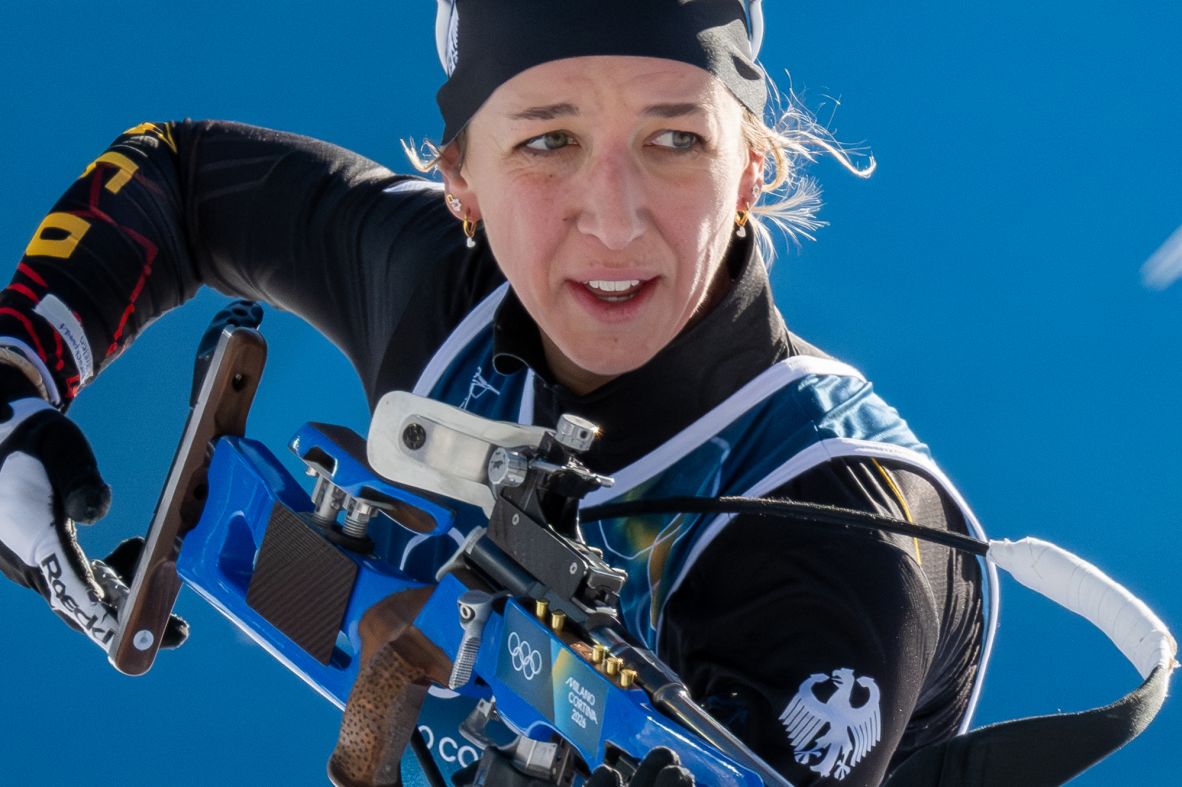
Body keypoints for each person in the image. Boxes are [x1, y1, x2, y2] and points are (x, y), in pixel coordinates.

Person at [0, 2, 990, 784]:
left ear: (749, 169)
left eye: (674, 139)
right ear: (459, 180)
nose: (612, 219)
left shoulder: (844, 524)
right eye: (548, 142)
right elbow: (178, 176)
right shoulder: (440, 294)